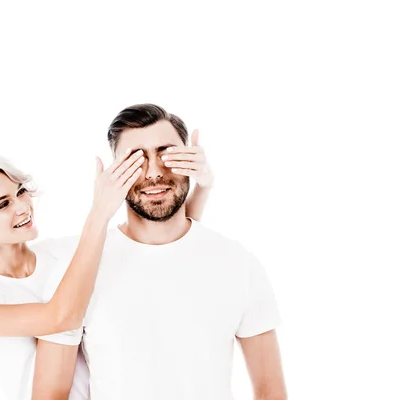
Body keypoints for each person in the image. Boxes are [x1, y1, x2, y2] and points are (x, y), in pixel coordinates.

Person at [32, 104, 286, 400]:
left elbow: (271, 391)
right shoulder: (76, 270)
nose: (154, 171)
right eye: (135, 159)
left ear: (190, 159)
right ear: (115, 171)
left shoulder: (236, 262)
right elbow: (49, 395)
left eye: (167, 154)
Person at [0, 141, 215, 399]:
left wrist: (203, 185)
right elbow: (60, 318)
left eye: (20, 192)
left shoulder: (67, 254)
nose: (22, 207)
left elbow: (162, 245)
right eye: (3, 204)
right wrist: (99, 212)